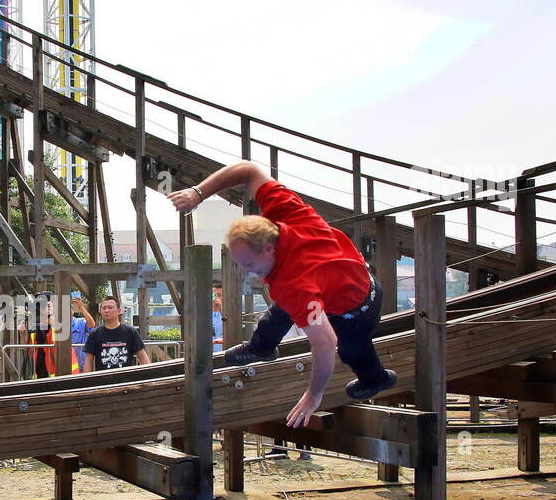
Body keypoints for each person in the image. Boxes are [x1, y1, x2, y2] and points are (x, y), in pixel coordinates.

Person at [167, 160, 396, 429]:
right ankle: (261, 348)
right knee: (278, 312)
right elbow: (248, 169)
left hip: (357, 309)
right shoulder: (285, 212)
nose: (245, 272)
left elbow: (324, 342)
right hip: (350, 272)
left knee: (352, 347)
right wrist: (199, 192)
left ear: (268, 248)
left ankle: (375, 378)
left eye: (249, 264)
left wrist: (314, 395)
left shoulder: (296, 285)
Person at [82, 296, 150, 372]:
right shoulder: (94, 334)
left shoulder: (130, 331)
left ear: (119, 311)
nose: (107, 310)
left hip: (127, 380)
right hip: (103, 381)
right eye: (104, 308)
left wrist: (149, 376)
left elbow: (142, 356)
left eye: (110, 307)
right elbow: (88, 361)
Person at [70, 293, 96, 371]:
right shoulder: (58, 325)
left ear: (72, 311)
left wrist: (81, 308)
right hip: (65, 365)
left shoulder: (80, 322)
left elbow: (92, 324)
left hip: (81, 365)